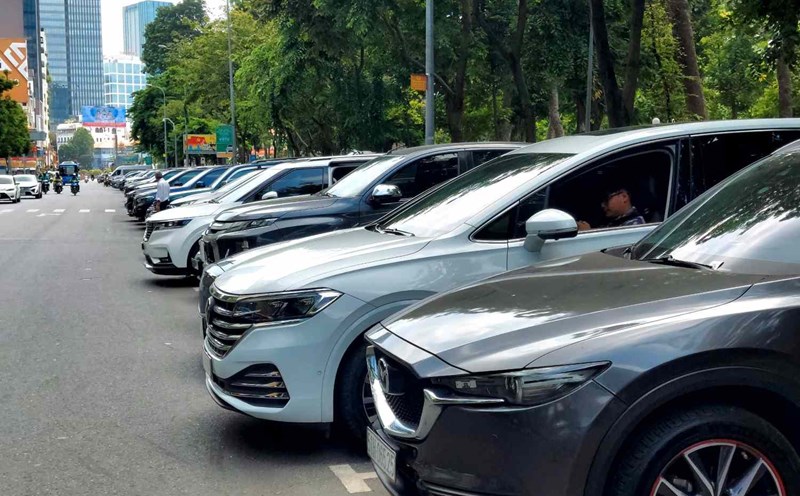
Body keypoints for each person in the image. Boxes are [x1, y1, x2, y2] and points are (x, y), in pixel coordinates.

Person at [577, 188, 646, 231]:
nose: (602, 205)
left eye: (606, 200)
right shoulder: (612, 221)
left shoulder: (636, 225)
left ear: (624, 197)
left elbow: (616, 252)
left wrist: (588, 233)